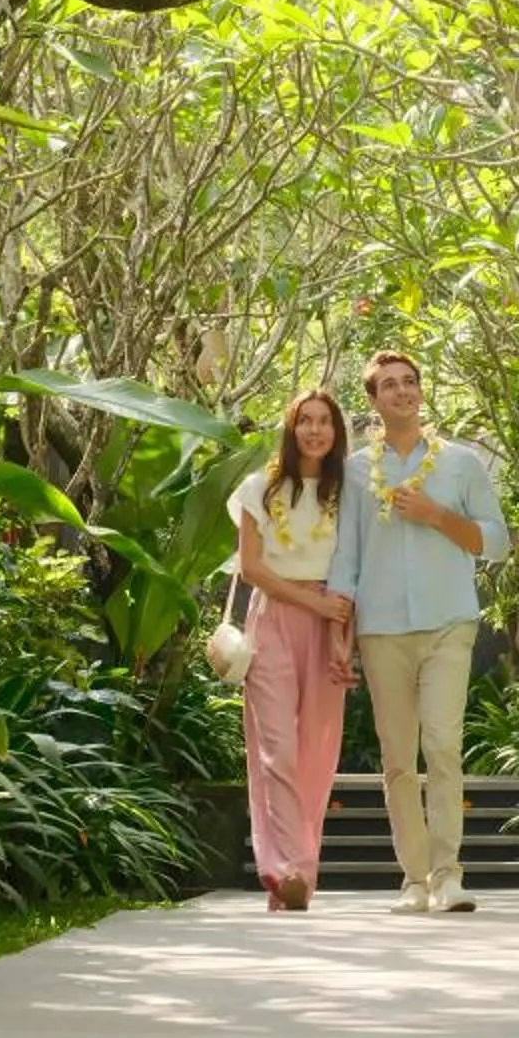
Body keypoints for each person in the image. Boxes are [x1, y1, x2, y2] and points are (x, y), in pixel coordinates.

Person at [327, 350, 508, 915]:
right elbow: (346, 559)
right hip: (381, 629)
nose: (402, 391)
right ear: (373, 400)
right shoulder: (357, 471)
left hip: (448, 622)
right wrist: (341, 635)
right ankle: (413, 878)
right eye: (389, 385)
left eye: (410, 382)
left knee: (443, 745)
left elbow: (496, 542)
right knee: (399, 758)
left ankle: (449, 874)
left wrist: (435, 515)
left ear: (421, 393)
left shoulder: (461, 464)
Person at [230, 388, 360, 912]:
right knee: (275, 748)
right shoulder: (259, 487)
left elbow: (351, 567)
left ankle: (299, 873)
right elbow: (251, 566)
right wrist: (312, 604)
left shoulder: (349, 493)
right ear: (291, 427)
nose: (314, 430)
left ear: (336, 431)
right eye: (304, 420)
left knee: (317, 752)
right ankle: (287, 871)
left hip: (331, 619)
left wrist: (338, 631)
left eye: (323, 421)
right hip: (275, 619)